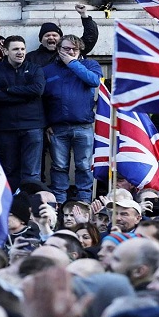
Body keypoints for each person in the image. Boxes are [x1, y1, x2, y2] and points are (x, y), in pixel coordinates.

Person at [41, 35, 102, 203]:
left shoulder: (90, 65)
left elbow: (94, 81)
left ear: (80, 50)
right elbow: (41, 99)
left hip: (83, 126)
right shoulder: (47, 70)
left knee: (84, 166)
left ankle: (85, 202)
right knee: (59, 166)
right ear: (58, 49)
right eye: (66, 49)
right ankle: (59, 203)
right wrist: (46, 124)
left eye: (74, 49)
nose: (70, 52)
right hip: (57, 127)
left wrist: (72, 63)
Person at [0, 36, 45, 189]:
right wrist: (26, 96)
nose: (20, 52)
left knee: (31, 172)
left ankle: (31, 206)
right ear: (5, 51)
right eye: (15, 49)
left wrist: (9, 90)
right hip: (6, 127)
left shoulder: (35, 69)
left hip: (32, 126)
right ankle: (11, 207)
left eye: (22, 49)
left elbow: (38, 90)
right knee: (9, 170)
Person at [24, 4, 99, 67]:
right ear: (41, 40)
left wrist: (84, 16)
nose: (51, 37)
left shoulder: (71, 51)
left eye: (54, 35)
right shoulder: (31, 57)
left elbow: (90, 37)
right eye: (47, 35)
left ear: (61, 39)